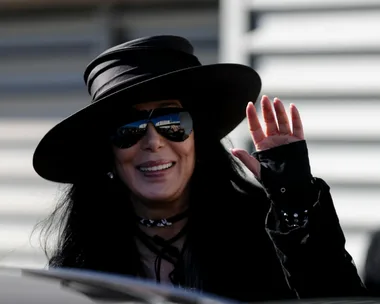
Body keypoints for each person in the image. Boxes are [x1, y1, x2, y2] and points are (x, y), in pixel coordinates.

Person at [32, 35, 367, 302]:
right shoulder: (86, 250)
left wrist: (296, 203)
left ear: (198, 139)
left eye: (172, 122)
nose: (153, 142)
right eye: (129, 129)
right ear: (109, 153)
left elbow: (339, 298)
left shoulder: (259, 228)